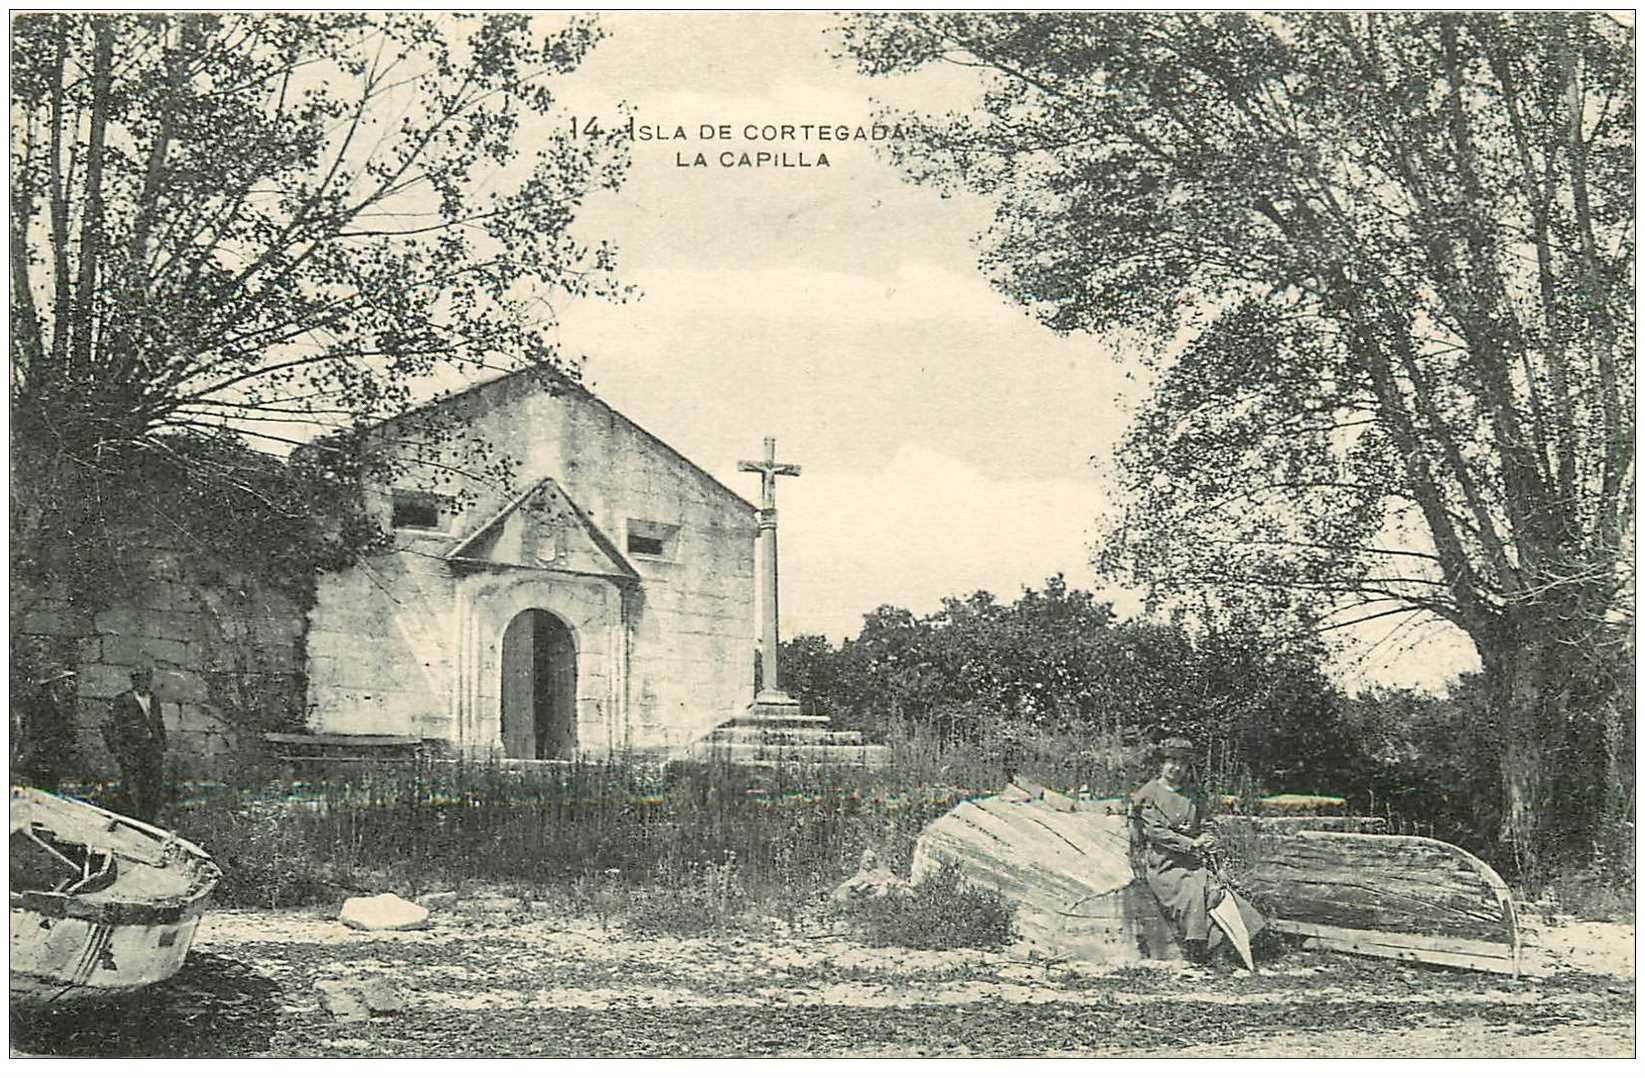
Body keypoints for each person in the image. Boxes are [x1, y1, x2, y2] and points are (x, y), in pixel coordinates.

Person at [1131, 736, 1265, 967]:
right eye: (1171, 761)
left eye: (1182, 763)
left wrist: (1208, 837)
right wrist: (1190, 843)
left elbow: (1206, 822)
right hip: (1165, 864)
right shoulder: (1148, 794)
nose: (1176, 768)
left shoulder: (1194, 794)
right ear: (1161, 764)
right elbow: (1155, 832)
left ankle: (1241, 942)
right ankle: (1201, 948)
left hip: (1194, 861)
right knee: (1193, 891)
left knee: (1218, 891)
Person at [104, 665, 168, 820]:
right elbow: (110, 726)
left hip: (152, 751)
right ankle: (131, 818)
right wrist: (117, 751)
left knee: (152, 785)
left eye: (147, 679)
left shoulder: (154, 699)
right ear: (133, 681)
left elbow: (158, 723)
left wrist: (162, 744)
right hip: (132, 751)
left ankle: (149, 819)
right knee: (132, 785)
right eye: (139, 679)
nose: (144, 683)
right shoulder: (122, 700)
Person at [14, 665, 79, 791]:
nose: (69, 685)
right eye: (65, 682)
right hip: (43, 753)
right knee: (44, 784)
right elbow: (39, 730)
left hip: (51, 753)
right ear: (54, 684)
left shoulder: (57, 702)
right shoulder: (43, 704)